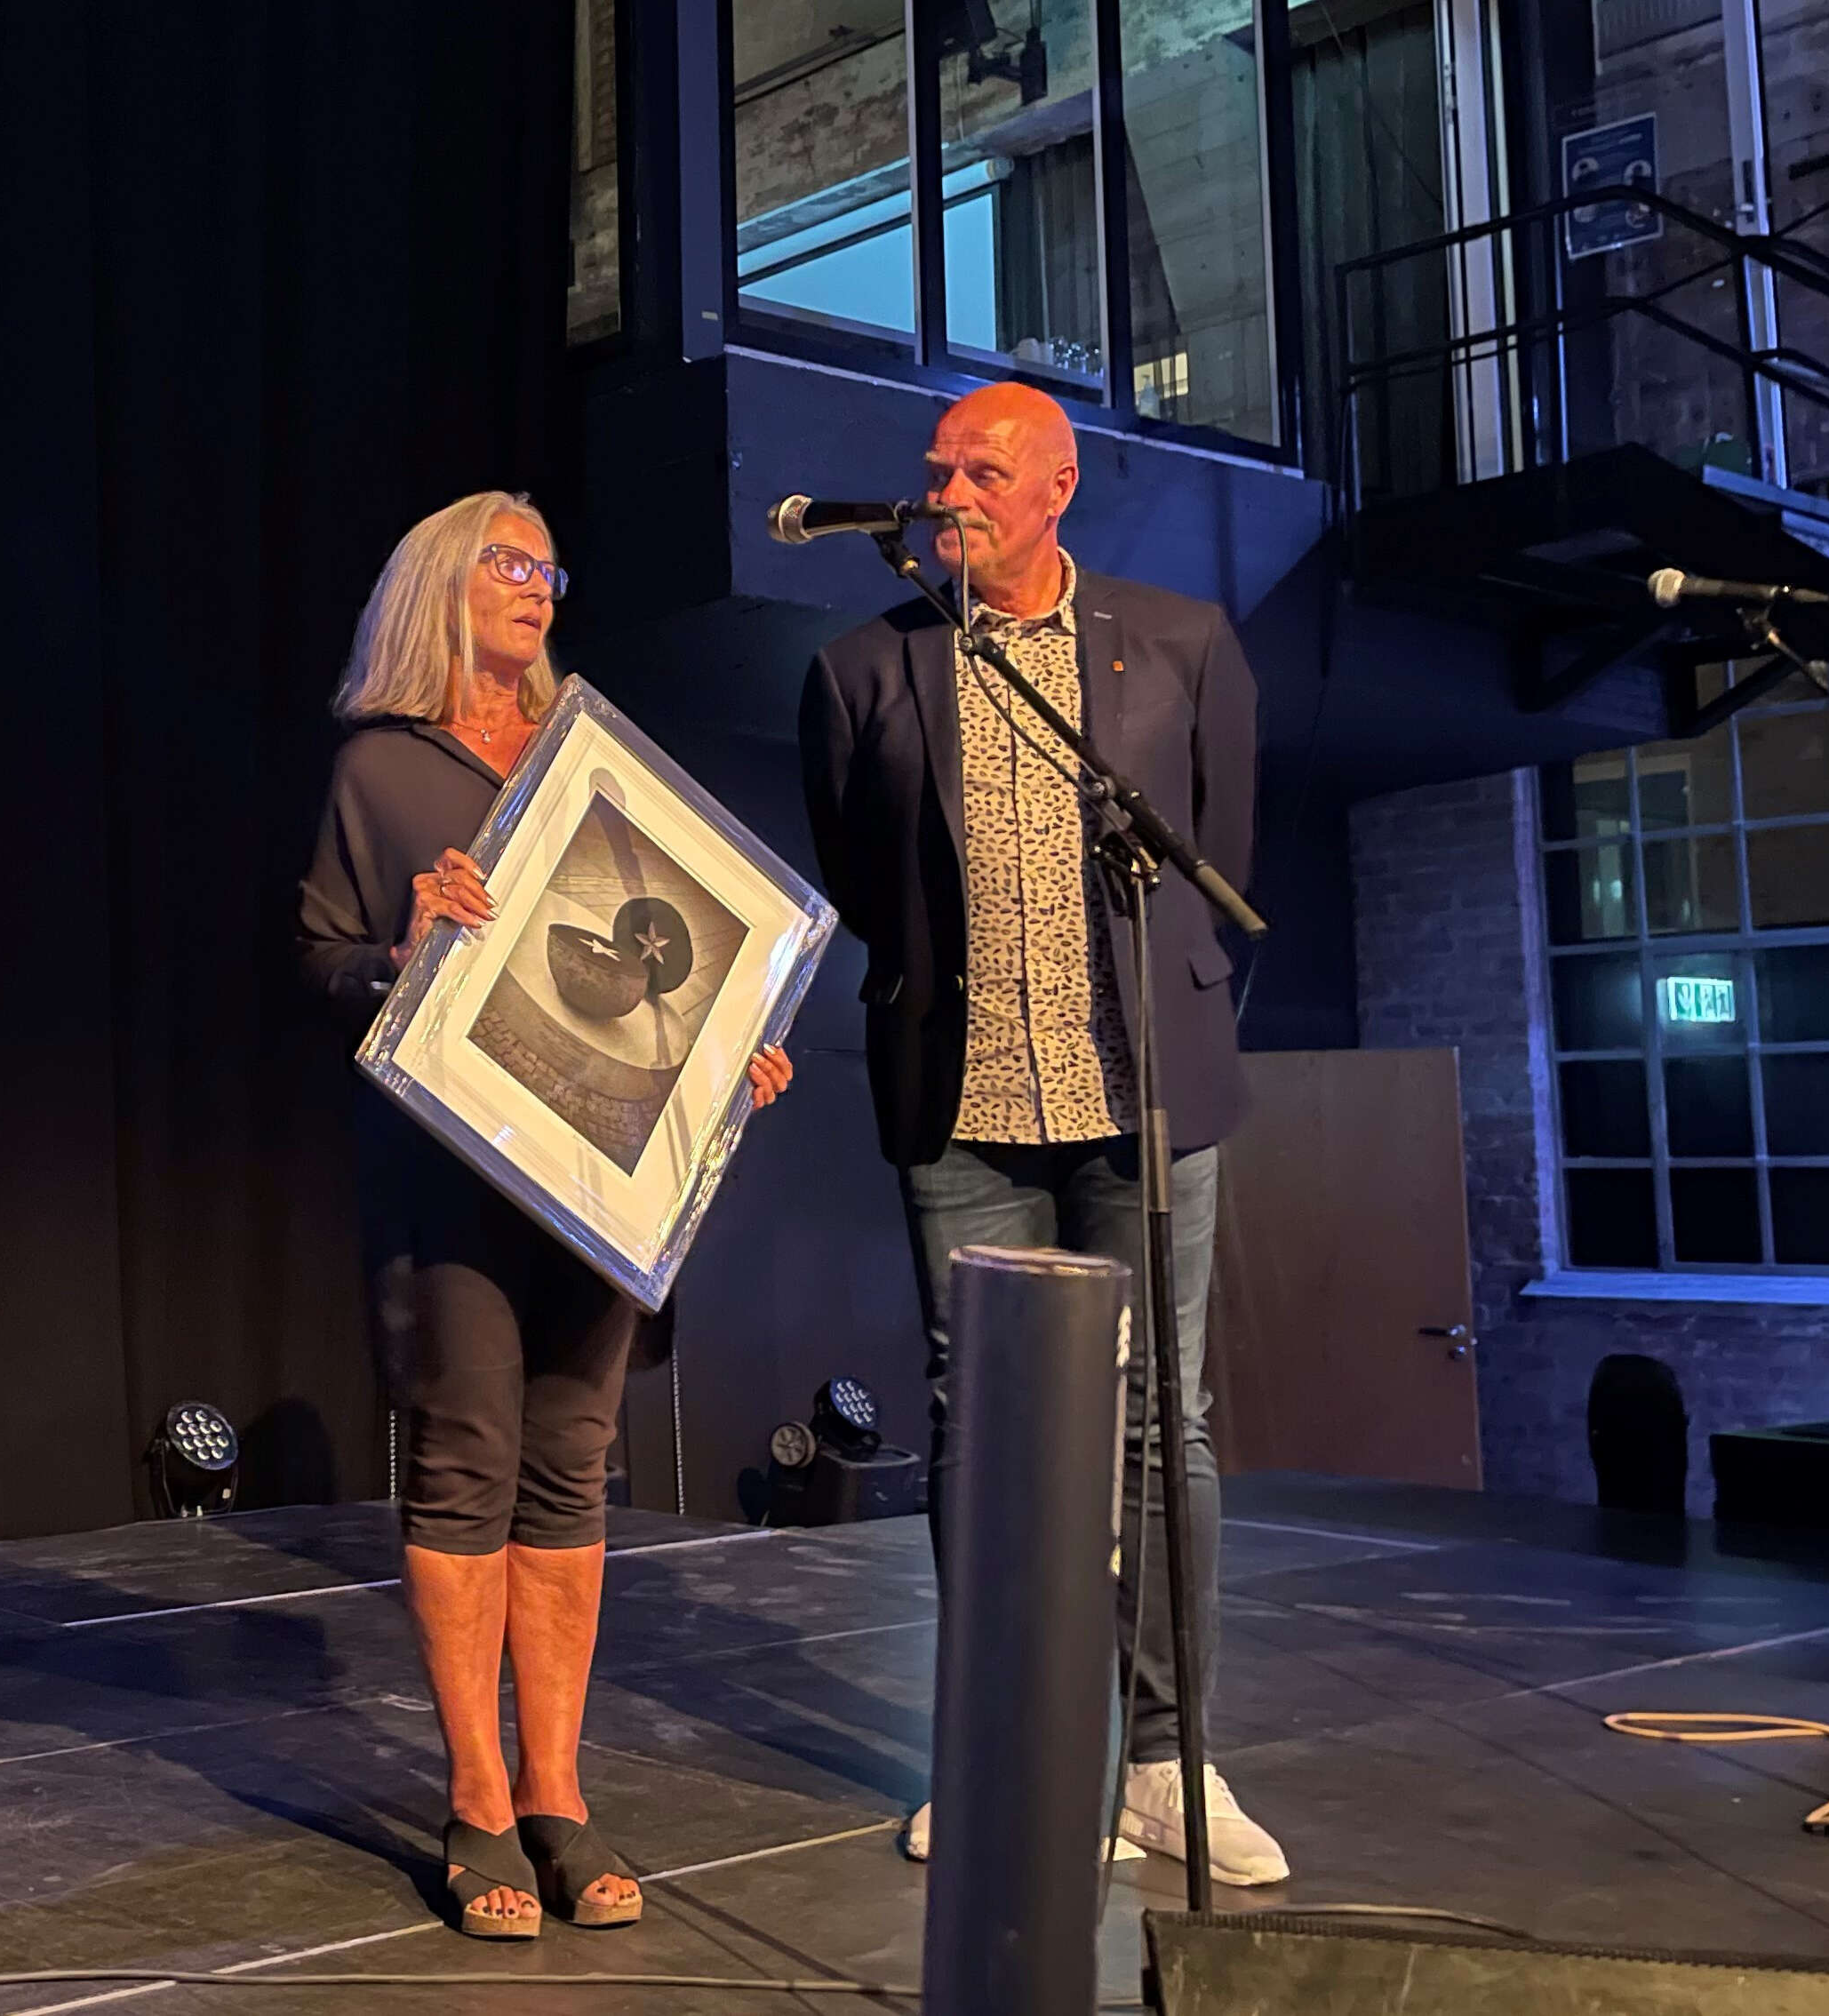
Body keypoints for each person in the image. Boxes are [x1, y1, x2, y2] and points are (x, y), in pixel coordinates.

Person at [795, 382, 1288, 1886]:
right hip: (966, 1111)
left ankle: (1165, 1767)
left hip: (1141, 1097)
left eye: (982, 473)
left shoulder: (1181, 643)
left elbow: (1217, 855)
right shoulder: (862, 670)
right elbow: (865, 884)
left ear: (1058, 487)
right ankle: (1009, 1762)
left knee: (1161, 1430)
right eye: (939, 470)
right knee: (985, 1430)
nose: (948, 494)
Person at [300, 492, 796, 1939]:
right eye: (507, 563)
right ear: (440, 585)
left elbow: (676, 966)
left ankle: (558, 1794)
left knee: (573, 1468)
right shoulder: (382, 768)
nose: (537, 586)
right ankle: (477, 1801)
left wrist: (729, 1057)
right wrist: (397, 949)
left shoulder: (597, 764)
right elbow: (321, 954)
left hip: (602, 1186)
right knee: (466, 1463)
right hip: (450, 1166)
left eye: (548, 567)